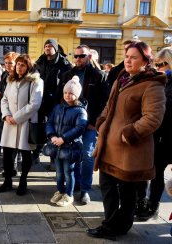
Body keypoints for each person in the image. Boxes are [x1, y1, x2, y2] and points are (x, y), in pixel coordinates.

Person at [87, 41, 166, 240]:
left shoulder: (152, 84)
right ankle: (114, 223)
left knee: (127, 191)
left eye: (133, 57)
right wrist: (101, 122)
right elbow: (109, 105)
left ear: (145, 61)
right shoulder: (122, 78)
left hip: (130, 149)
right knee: (107, 186)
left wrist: (129, 133)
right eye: (126, 56)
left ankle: (116, 226)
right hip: (109, 147)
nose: (128, 60)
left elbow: (153, 118)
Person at [57, 44, 108, 205]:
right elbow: (60, 98)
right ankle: (75, 184)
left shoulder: (99, 75)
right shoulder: (66, 75)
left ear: (89, 57)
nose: (78, 59)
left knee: (86, 156)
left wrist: (95, 122)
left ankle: (85, 189)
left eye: (82, 56)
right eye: (76, 56)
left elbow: (104, 102)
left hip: (89, 125)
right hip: (70, 124)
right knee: (73, 156)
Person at [0, 54, 43, 196]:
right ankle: (8, 181)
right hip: (9, 122)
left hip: (25, 122)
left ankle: (23, 181)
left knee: (25, 153)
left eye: (23, 65)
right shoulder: (10, 80)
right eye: (17, 64)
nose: (19, 67)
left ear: (28, 66)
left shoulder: (36, 81)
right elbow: (4, 99)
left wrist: (16, 117)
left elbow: (35, 104)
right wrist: (7, 115)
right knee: (7, 153)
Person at [135, 47, 172, 221]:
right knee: (156, 173)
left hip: (169, 135)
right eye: (156, 63)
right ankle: (152, 206)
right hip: (160, 136)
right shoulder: (160, 81)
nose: (158, 67)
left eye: (162, 64)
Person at [47, 76, 88, 207]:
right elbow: (50, 122)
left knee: (68, 172)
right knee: (58, 172)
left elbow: (80, 128)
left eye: (71, 93)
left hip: (71, 146)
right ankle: (60, 191)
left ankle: (69, 195)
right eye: (65, 92)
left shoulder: (80, 110)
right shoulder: (58, 107)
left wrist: (63, 138)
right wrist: (52, 135)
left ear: (76, 95)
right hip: (57, 145)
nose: (67, 95)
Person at [34, 38, 72, 168]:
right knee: (39, 127)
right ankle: (36, 153)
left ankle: (53, 157)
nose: (48, 48)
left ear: (55, 48)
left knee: (55, 129)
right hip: (40, 100)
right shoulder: (39, 62)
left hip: (56, 102)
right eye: (46, 46)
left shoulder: (65, 64)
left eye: (50, 46)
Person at [0, 52, 19, 159]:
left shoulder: (18, 77)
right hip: (2, 110)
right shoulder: (4, 74)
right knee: (5, 139)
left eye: (10, 63)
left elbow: (15, 94)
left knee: (13, 140)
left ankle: (14, 163)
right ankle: (8, 163)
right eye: (6, 63)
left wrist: (0, 95)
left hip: (13, 111)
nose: (7, 65)